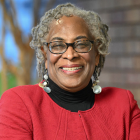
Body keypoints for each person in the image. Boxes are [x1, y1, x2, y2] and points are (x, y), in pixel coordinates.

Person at [0, 3, 140, 140]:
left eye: (81, 44)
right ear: (44, 55)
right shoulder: (19, 103)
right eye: (58, 45)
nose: (70, 55)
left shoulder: (124, 104)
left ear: (96, 54)